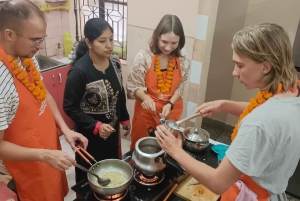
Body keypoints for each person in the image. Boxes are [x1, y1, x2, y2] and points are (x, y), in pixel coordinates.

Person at [155, 23, 300, 201]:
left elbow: (218, 182)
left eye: (240, 65)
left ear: (265, 66)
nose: (234, 72)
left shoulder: (258, 124)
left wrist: (175, 150)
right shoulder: (292, 89)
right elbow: (265, 108)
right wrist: (224, 105)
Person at [0, 1, 88, 201]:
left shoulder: (26, 58)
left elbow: (44, 94)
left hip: (48, 152)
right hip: (27, 168)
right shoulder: (1, 80)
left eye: (42, 38)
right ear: (10, 34)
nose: (40, 46)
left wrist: (64, 129)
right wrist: (43, 155)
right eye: (35, 40)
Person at [63, 18, 131, 183]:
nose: (109, 45)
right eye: (102, 41)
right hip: (88, 138)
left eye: (111, 39)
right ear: (89, 42)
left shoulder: (114, 62)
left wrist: (124, 118)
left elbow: (119, 92)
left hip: (111, 133)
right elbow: (69, 107)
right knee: (92, 177)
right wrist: (96, 126)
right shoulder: (79, 72)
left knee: (112, 170)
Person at [127, 14, 190, 149]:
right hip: (147, 111)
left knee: (167, 149)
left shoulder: (183, 57)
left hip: (171, 111)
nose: (168, 47)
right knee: (142, 147)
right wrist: (145, 98)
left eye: (174, 43)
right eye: (164, 42)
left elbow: (180, 86)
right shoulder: (144, 56)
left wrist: (170, 104)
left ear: (180, 41)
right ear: (157, 37)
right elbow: (133, 85)